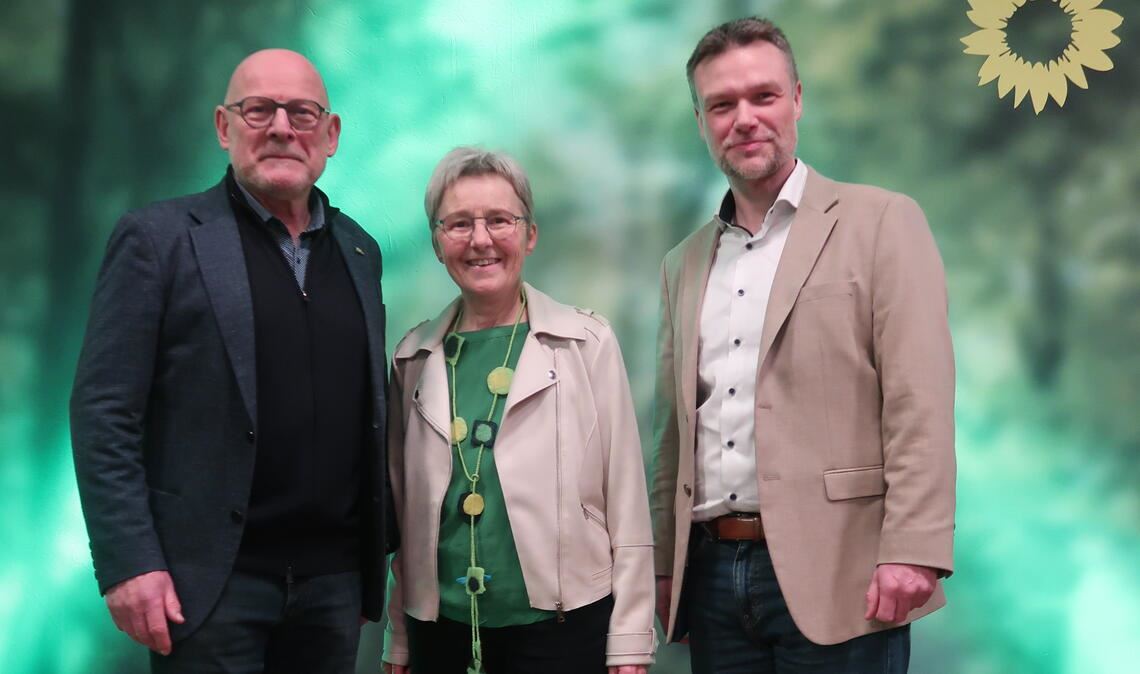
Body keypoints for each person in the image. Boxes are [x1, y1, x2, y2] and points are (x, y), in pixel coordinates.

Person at [70, 49, 395, 674]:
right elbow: (103, 411)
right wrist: (129, 562)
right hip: (210, 588)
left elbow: (368, 413)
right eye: (258, 110)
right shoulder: (157, 239)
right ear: (224, 127)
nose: (280, 127)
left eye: (301, 113)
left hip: (332, 589)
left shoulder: (359, 250)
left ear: (330, 135)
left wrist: (367, 565)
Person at [649, 17, 956, 673]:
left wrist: (915, 546)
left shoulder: (881, 222)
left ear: (797, 100)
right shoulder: (683, 262)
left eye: (763, 96)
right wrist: (661, 564)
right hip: (710, 579)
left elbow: (918, 396)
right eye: (721, 104)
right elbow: (673, 431)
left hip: (844, 573)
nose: (745, 119)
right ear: (702, 120)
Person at [381, 147, 656, 674]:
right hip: (440, 633)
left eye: (499, 221)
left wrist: (630, 638)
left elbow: (625, 497)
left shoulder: (585, 342)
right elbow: (407, 517)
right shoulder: (413, 357)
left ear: (529, 234)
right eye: (459, 223)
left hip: (562, 629)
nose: (480, 239)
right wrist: (400, 637)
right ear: (439, 243)